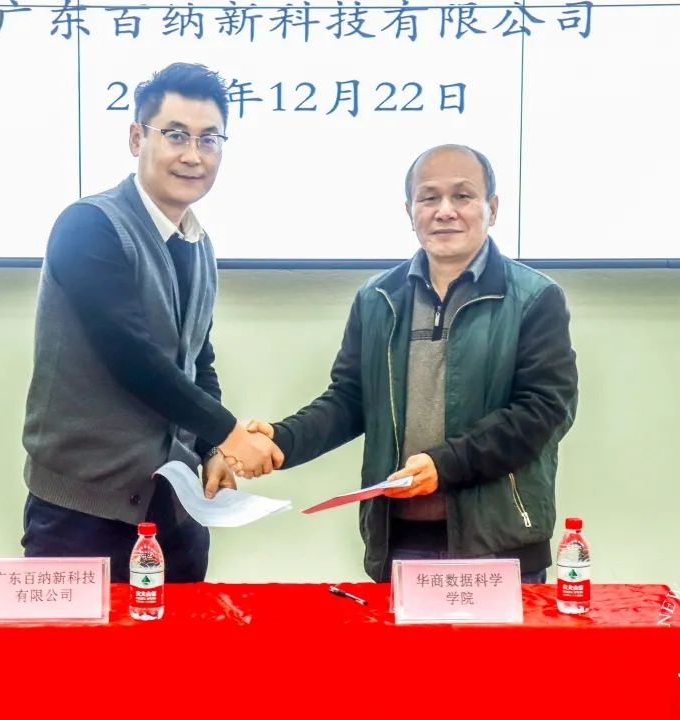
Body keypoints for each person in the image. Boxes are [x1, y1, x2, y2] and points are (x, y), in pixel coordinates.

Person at [244, 144, 578, 583]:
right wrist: (282, 440)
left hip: (500, 542)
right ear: (410, 211)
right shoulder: (378, 298)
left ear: (492, 209)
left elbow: (543, 412)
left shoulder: (535, 298)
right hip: (399, 538)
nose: (445, 211)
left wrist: (445, 464)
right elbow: (350, 400)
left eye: (462, 196)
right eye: (429, 198)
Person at [20, 62, 281, 583]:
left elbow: (197, 360)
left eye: (209, 139)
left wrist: (211, 449)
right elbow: (132, 357)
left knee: (184, 641)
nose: (193, 155)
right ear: (137, 138)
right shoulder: (89, 226)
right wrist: (230, 433)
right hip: (82, 516)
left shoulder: (198, 243)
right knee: (74, 643)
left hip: (176, 512)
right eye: (176, 135)